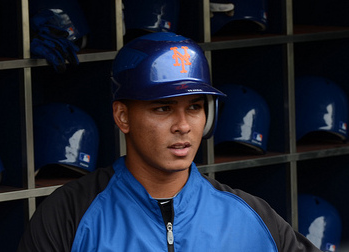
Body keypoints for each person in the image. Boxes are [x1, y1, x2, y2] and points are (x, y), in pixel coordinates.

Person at [17, 32, 321, 252]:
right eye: (162, 108)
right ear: (123, 117)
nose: (183, 126)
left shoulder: (251, 215)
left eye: (194, 107)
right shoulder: (69, 214)